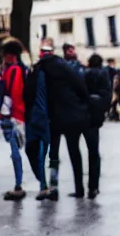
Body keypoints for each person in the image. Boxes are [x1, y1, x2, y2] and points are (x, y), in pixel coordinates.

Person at [32, 38, 90, 200]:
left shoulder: (39, 69)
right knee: (74, 152)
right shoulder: (63, 66)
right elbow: (80, 86)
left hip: (53, 117)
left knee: (53, 154)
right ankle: (79, 188)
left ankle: (53, 186)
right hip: (71, 114)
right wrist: (83, 104)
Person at [64, 53, 111, 199]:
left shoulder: (80, 74)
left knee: (75, 152)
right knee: (94, 153)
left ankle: (79, 188)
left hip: (77, 116)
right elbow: (108, 97)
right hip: (93, 119)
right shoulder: (104, 75)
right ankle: (93, 187)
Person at [0, 37, 27, 201]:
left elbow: (13, 94)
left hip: (13, 116)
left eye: (4, 54)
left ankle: (18, 185)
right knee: (15, 151)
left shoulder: (14, 70)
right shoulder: (14, 69)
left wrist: (12, 116)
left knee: (15, 152)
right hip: (13, 115)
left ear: (10, 55)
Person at [24, 45, 53, 200]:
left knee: (40, 151)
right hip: (36, 116)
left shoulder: (42, 72)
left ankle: (43, 184)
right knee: (35, 150)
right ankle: (43, 182)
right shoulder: (35, 72)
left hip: (41, 116)